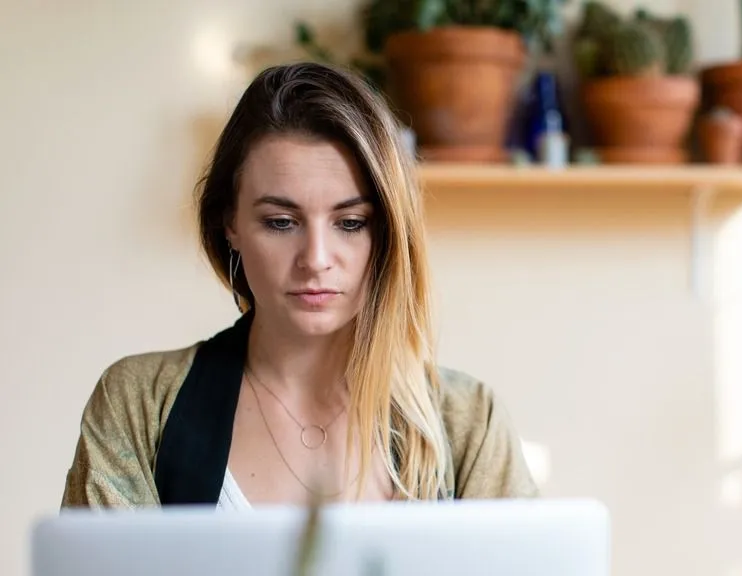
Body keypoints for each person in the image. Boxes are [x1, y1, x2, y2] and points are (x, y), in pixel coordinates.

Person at [61, 62, 539, 509]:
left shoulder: (467, 422)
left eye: (350, 223)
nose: (315, 260)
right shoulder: (139, 406)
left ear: (390, 232)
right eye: (281, 222)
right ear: (231, 223)